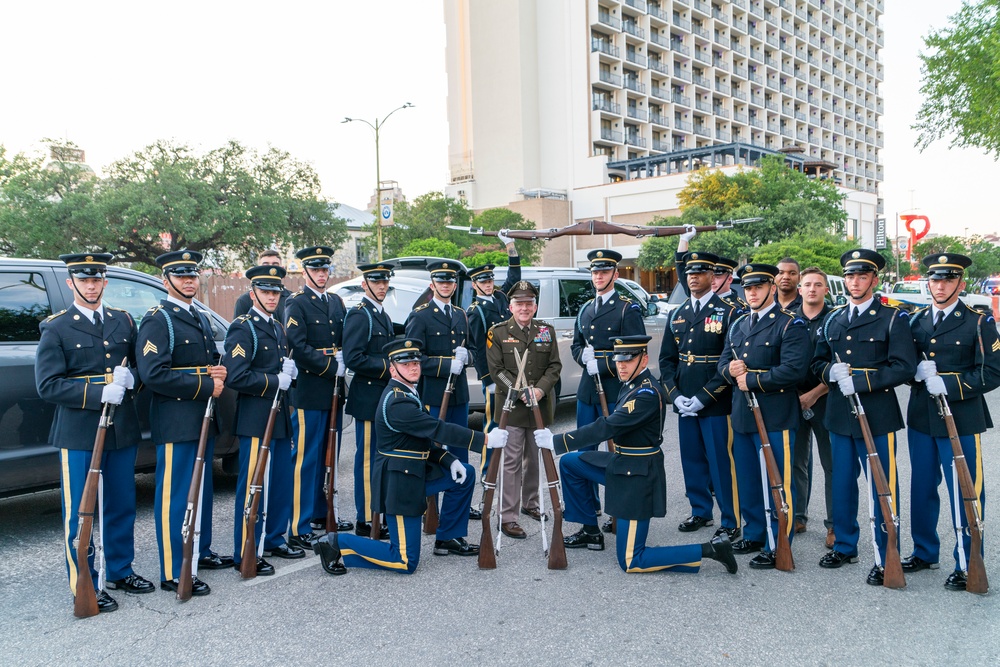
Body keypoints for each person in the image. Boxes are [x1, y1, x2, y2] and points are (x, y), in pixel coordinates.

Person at [533, 335, 737, 576]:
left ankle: (710, 550)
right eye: (618, 360)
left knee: (632, 560)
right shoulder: (631, 384)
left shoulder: (646, 394)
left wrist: (558, 440)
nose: (621, 365)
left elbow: (607, 427)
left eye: (628, 361)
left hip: (638, 477)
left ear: (644, 360)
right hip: (622, 464)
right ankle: (590, 530)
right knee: (571, 463)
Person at [312, 338, 500, 575]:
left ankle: (448, 538)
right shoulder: (397, 402)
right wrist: (485, 439)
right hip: (399, 485)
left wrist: (448, 460)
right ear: (393, 368)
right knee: (405, 561)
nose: (413, 367)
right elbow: (437, 429)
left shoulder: (407, 392)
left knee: (465, 474)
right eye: (405, 363)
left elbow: (422, 439)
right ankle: (335, 543)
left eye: (416, 362)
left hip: (415, 471)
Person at [35, 253, 153, 613]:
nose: (91, 285)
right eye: (84, 280)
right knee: (82, 512)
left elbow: (136, 364)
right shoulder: (56, 327)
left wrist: (133, 380)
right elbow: (48, 386)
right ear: (72, 283)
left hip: (121, 429)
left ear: (105, 282)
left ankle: (119, 570)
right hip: (80, 433)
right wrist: (98, 392)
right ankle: (83, 580)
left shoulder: (122, 321)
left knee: (121, 505)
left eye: (97, 279)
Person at [812, 249, 916, 586]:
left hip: (877, 415)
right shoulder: (833, 318)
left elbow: (904, 366)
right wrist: (830, 370)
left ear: (874, 279)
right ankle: (845, 544)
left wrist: (859, 380)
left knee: (882, 488)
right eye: (850, 276)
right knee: (841, 485)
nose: (855, 282)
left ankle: (887, 554)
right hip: (840, 417)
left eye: (862, 276)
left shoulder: (892, 318)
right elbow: (817, 362)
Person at [904, 253, 1000, 591]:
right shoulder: (915, 321)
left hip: (961, 418)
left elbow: (992, 371)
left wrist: (951, 383)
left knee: (966, 489)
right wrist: (913, 373)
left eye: (947, 279)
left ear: (960, 283)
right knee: (922, 487)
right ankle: (924, 551)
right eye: (935, 279)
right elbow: (904, 362)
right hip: (921, 417)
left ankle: (967, 560)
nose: (940, 285)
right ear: (927, 282)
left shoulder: (978, 322)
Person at [136, 250, 229, 596]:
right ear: (166, 280)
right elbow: (152, 373)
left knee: (200, 492)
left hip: (202, 417)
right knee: (176, 497)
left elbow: (200, 363)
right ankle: (174, 569)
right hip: (176, 420)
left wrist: (216, 372)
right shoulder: (158, 320)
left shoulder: (197, 315)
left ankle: (198, 552)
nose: (189, 280)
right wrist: (206, 384)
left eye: (192, 274)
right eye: (181, 275)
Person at [718, 263, 810, 570]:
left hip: (776, 416)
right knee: (748, 481)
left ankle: (778, 541)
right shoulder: (738, 324)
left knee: (778, 482)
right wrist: (729, 371)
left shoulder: (790, 324)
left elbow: (795, 369)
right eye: (748, 288)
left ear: (772, 287)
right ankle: (756, 533)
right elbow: (723, 363)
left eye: (758, 286)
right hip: (743, 415)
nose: (752, 292)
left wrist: (753, 380)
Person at [225, 264, 304, 576]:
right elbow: (236, 376)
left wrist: (290, 378)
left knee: (281, 482)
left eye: (276, 292)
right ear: (252, 293)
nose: (272, 297)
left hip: (279, 416)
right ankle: (246, 547)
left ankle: (273, 538)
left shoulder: (277, 327)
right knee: (254, 486)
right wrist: (275, 381)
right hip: (257, 418)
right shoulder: (243, 328)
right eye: (266, 291)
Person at [658, 251, 741, 540]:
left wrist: (705, 397)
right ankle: (700, 511)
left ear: (712, 276)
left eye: (701, 272)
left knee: (721, 462)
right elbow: (667, 361)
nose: (694, 277)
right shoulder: (677, 313)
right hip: (685, 399)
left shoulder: (729, 311)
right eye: (690, 273)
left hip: (716, 401)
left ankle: (731, 520)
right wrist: (675, 395)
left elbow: (730, 362)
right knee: (691, 459)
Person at [284, 246, 353, 550]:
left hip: (334, 389)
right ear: (305, 272)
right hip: (310, 389)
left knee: (329, 457)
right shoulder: (296, 304)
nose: (322, 274)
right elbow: (297, 346)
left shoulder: (336, 302)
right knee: (307, 459)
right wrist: (330, 365)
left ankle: (321, 514)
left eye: (325, 269)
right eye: (316, 270)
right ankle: (298, 525)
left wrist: (346, 358)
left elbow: (345, 337)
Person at [571, 249, 646, 527]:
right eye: (595, 272)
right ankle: (589, 512)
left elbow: (636, 352)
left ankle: (619, 509)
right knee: (583, 454)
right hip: (587, 392)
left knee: (619, 453)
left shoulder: (628, 308)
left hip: (617, 391)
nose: (599, 276)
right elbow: (576, 344)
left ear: (615, 274)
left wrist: (602, 364)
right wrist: (582, 357)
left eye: (604, 271)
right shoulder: (585, 308)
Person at [484, 281, 561, 539]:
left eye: (529, 303)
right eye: (519, 303)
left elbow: (554, 366)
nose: (524, 308)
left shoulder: (545, 331)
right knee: (511, 462)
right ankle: (507, 516)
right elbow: (496, 371)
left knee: (535, 460)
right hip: (511, 408)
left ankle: (531, 504)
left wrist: (539, 390)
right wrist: (519, 392)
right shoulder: (497, 332)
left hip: (539, 405)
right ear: (511, 306)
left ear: (535, 306)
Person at [405, 260, 478, 520]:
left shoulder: (460, 314)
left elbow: (474, 350)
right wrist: (446, 364)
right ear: (432, 284)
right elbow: (413, 359)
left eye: (449, 281)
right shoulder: (420, 315)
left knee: (460, 448)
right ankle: (430, 508)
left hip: (459, 395)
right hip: (433, 395)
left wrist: (467, 356)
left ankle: (459, 505)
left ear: (455, 284)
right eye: (441, 281)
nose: (445, 285)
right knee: (433, 450)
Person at [342, 262, 396, 537]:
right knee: (366, 461)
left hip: (381, 398)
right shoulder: (360, 315)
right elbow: (353, 358)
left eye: (385, 282)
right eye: (377, 282)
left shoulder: (381, 314)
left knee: (380, 457)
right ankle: (365, 518)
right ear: (365, 284)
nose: (382, 286)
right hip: (366, 398)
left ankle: (378, 512)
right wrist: (387, 367)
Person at [466, 229, 520, 478]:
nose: (489, 284)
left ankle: (507, 468)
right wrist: (486, 379)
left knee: (514, 423)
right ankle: (489, 471)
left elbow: (515, 276)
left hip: (513, 370)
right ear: (475, 284)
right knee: (494, 424)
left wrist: (510, 246)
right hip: (494, 375)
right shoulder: (475, 311)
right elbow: (477, 348)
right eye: (484, 282)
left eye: (490, 280)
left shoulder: (499, 297)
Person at [791, 267, 835, 548]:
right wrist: (798, 396)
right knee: (796, 462)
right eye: (807, 284)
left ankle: (834, 526)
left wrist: (816, 393)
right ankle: (797, 515)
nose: (812, 289)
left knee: (832, 465)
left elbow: (843, 364)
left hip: (826, 399)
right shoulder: (788, 320)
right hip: (793, 399)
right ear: (799, 289)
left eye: (818, 285)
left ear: (826, 290)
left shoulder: (836, 319)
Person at [233, 250, 291, 323]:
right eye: (265, 265)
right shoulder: (245, 300)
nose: (270, 269)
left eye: (275, 265)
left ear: (281, 268)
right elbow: (239, 326)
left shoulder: (291, 299)